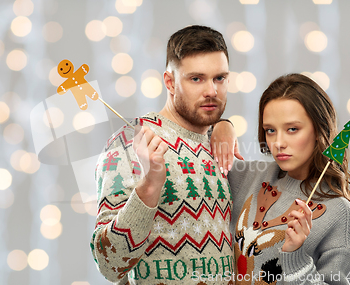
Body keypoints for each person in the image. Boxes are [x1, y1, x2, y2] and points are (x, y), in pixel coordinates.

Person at [90, 25, 239, 284]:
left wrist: (225, 125)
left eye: (219, 78)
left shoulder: (219, 142)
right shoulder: (129, 143)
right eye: (196, 79)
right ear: (169, 82)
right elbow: (109, 265)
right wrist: (149, 187)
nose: (212, 91)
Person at [211, 73, 350, 284]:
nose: (278, 143)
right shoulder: (248, 176)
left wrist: (295, 257)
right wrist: (222, 126)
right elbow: (193, 144)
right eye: (270, 130)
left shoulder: (341, 214)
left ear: (320, 130)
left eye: (292, 129)